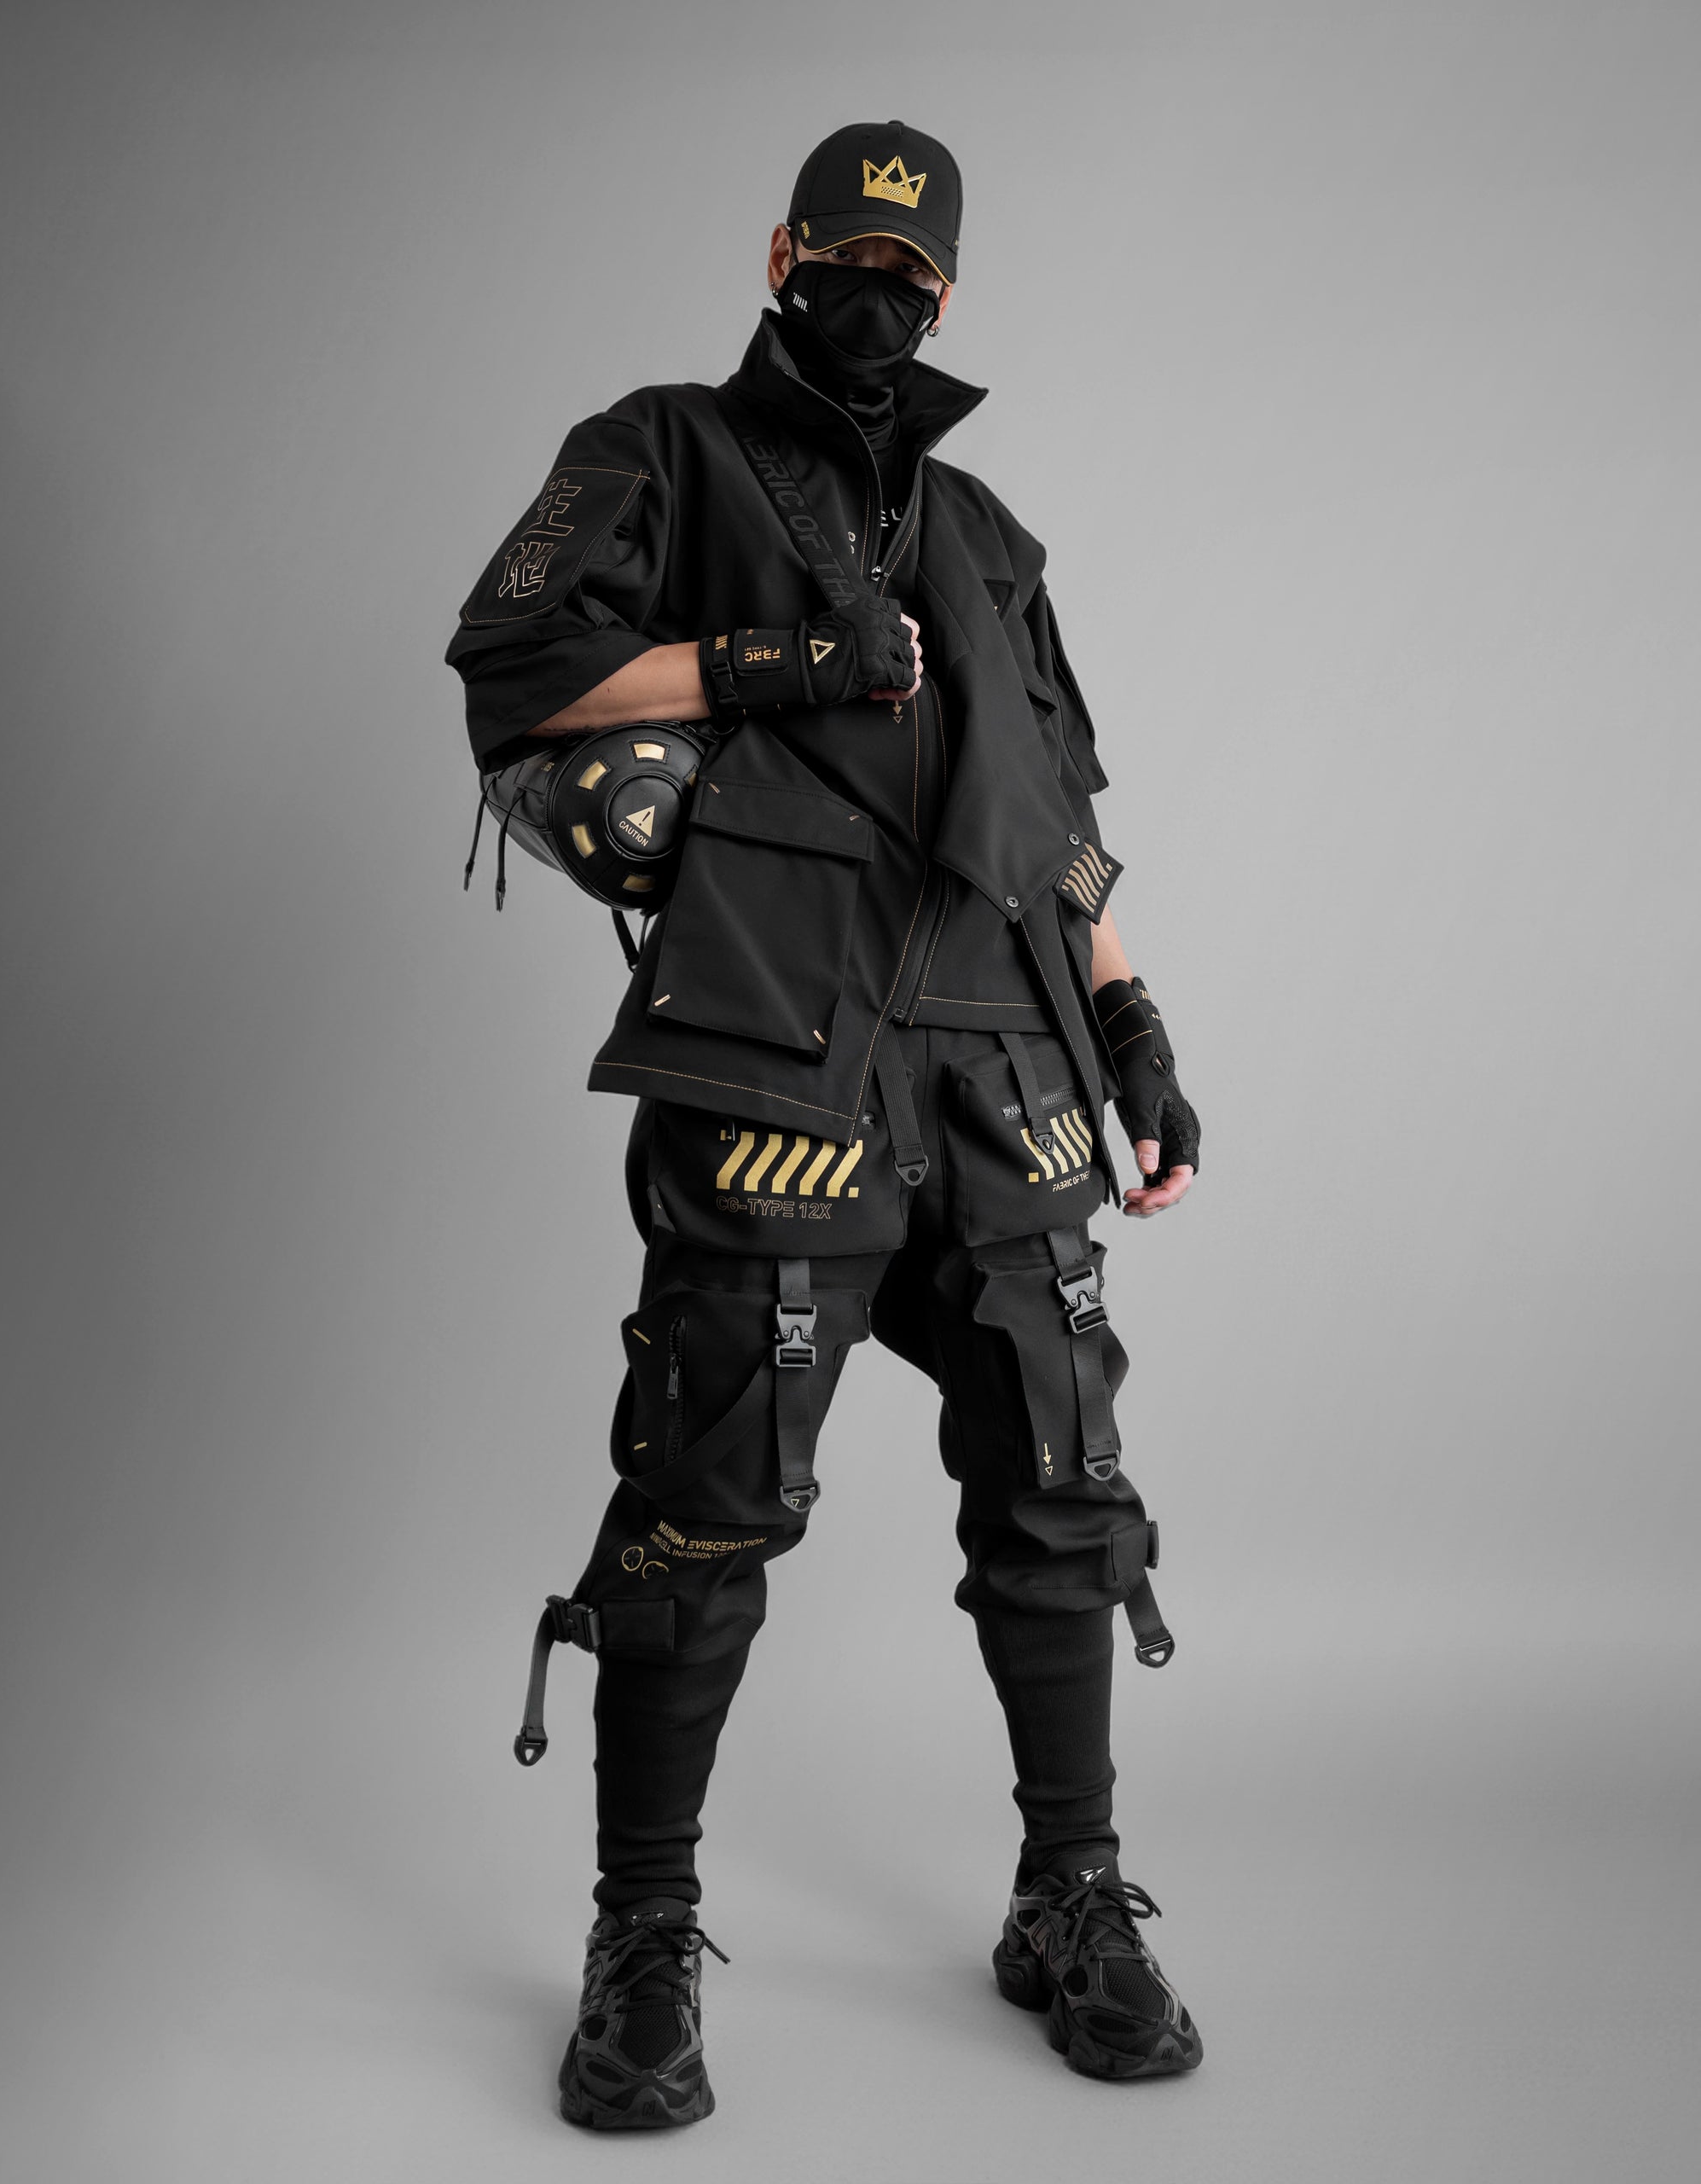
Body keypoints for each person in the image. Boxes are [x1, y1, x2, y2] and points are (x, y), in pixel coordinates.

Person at [444, 119, 1205, 2129]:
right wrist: (771, 661)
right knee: (704, 1501)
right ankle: (641, 1934)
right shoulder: (663, 447)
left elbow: (1057, 817)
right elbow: (517, 663)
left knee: (1061, 1482)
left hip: (1005, 1064)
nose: (880, 290)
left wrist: (1134, 1018)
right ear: (782, 250)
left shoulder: (990, 531)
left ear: (945, 291)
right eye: (847, 254)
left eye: (911, 270)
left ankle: (1066, 1896)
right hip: (779, 1049)